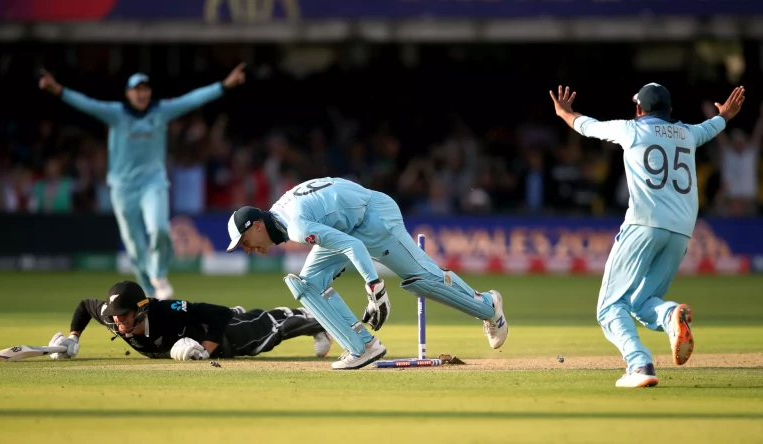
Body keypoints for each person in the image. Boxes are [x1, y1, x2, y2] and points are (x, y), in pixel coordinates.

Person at [549, 83, 745, 387]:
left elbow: (589, 127)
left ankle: (639, 364)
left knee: (610, 307)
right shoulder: (688, 133)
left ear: (640, 109)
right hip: (681, 230)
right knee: (643, 301)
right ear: (670, 111)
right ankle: (670, 316)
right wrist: (726, 116)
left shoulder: (632, 130)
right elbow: (711, 127)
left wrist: (565, 114)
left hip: (644, 224)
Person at [224, 178, 508, 370]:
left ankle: (488, 306)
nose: (247, 250)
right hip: (351, 223)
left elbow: (353, 245)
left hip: (374, 219)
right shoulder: (281, 215)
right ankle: (363, 346)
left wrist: (375, 287)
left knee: (424, 281)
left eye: (244, 242)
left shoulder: (296, 225)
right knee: (307, 284)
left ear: (257, 226)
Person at [38, 64, 247, 299]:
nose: (142, 93)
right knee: (134, 243)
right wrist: (56, 89)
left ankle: (159, 274)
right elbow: (86, 104)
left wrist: (224, 85)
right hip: (122, 187)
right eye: (137, 89)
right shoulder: (116, 113)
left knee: (159, 229)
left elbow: (192, 99)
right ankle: (148, 289)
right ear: (128, 93)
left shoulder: (161, 111)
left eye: (145, 89)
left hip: (153, 183)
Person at [47, 280, 333, 361]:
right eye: (115, 317)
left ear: (142, 310)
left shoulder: (164, 310)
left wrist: (206, 350)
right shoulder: (114, 320)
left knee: (267, 332)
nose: (119, 323)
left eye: (124, 316)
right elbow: (86, 306)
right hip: (201, 333)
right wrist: (73, 338)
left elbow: (218, 313)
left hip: (222, 335)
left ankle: (317, 318)